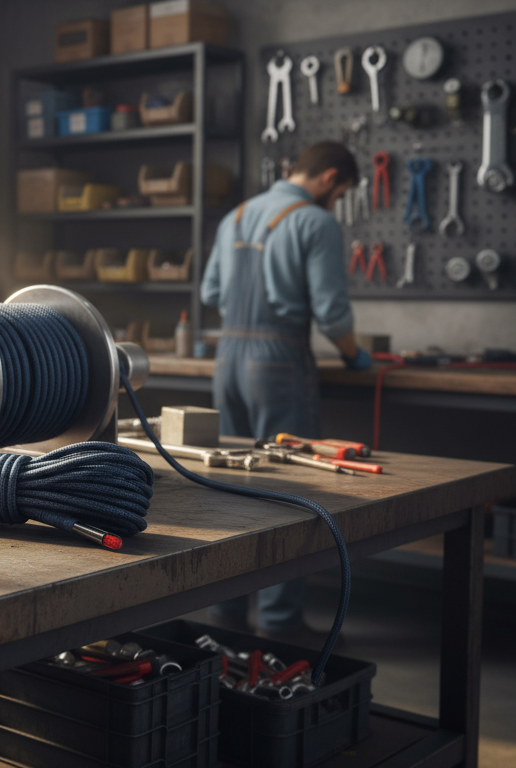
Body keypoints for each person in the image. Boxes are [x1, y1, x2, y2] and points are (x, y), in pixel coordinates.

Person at [199, 141, 373, 639]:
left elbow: (211, 294)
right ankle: (278, 621)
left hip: (228, 359)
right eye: (339, 193)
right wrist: (352, 355)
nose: (336, 203)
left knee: (232, 484)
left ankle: (226, 615)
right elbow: (332, 311)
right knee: (290, 489)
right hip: (277, 359)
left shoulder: (234, 217)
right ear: (330, 178)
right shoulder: (315, 222)